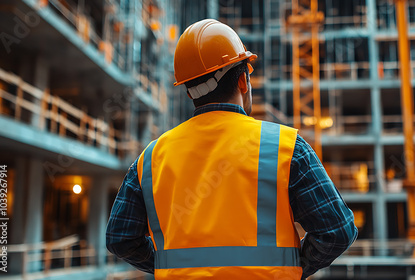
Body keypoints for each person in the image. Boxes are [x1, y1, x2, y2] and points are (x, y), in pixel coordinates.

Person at [106, 19, 357, 279]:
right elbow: (337, 231)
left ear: (190, 93)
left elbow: (120, 239)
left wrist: (170, 267)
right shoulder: (285, 147)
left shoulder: (150, 158)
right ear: (243, 82)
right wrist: (293, 267)